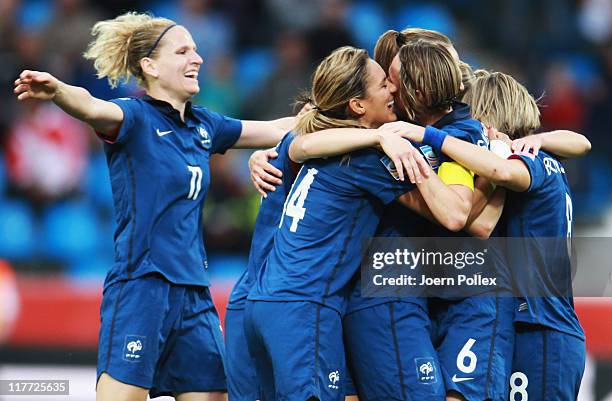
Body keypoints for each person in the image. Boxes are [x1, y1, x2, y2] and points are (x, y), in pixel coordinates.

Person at [14, 12, 298, 401]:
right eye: (183, 51)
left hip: (195, 293)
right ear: (150, 66)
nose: (197, 58)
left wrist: (338, 119)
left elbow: (278, 129)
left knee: (214, 395)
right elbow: (93, 107)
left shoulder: (205, 126)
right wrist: (60, 91)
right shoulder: (134, 117)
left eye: (196, 51)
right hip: (142, 287)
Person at [243, 45, 449, 401]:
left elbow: (295, 144)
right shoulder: (367, 159)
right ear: (357, 105)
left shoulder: (320, 144)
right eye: (384, 85)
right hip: (305, 307)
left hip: (267, 302)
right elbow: (453, 214)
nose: (393, 92)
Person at [387, 70, 590, 401]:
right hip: (539, 324)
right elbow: (581, 142)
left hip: (540, 327)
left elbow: (495, 180)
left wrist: (430, 137)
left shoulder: (525, 162)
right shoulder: (541, 155)